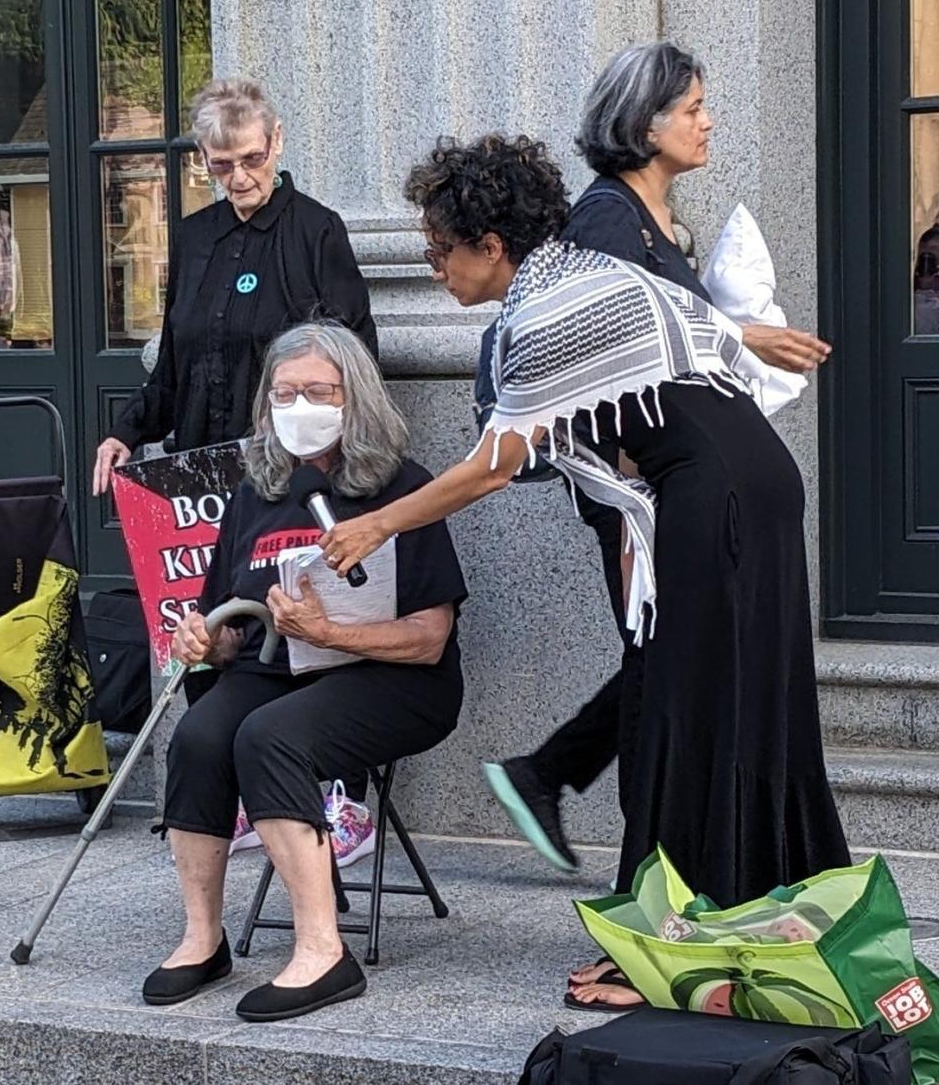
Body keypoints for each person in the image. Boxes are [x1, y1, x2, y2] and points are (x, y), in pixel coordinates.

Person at [319, 134, 850, 1008]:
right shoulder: (579, 273)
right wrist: (642, 481)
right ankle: (737, 921)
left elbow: (494, 463)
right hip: (741, 487)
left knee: (684, 721)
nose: (435, 269)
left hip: (713, 500)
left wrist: (376, 522)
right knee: (718, 710)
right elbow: (684, 362)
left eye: (438, 251)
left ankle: (669, 953)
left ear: (491, 245)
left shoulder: (541, 310)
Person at [481, 42, 834, 882]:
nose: (708, 121)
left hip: (684, 491)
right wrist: (632, 497)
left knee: (669, 676)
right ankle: (648, 879)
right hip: (647, 493)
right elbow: (600, 353)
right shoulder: (605, 216)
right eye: (692, 108)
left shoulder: (655, 221)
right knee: (664, 682)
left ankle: (574, 797)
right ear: (643, 125)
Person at [143, 323, 466, 1021]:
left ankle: (323, 951)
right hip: (275, 666)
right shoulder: (255, 492)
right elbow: (226, 627)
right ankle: (203, 936)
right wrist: (204, 639)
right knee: (200, 735)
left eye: (317, 391)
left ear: (354, 399)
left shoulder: (401, 488)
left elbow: (430, 636)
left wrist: (331, 630)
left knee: (270, 736)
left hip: (388, 675)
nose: (298, 405)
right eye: (284, 393)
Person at [92, 77, 379, 860]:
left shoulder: (317, 231)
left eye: (251, 159)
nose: (240, 177)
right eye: (222, 165)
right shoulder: (193, 238)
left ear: (277, 143)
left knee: (306, 630)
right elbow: (173, 368)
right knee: (205, 629)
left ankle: (340, 793)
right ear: (203, 161)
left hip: (292, 472)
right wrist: (124, 434)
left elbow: (355, 358)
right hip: (201, 476)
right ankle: (240, 792)